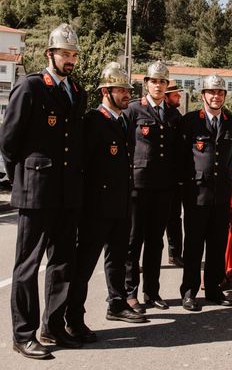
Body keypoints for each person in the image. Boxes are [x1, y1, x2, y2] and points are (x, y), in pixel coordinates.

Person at [0, 23, 87, 359]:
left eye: (74, 54)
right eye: (65, 53)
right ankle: (23, 334)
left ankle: (53, 326)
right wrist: (22, 178)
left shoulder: (76, 92)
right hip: (36, 190)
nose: (70, 59)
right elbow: (9, 141)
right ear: (50, 54)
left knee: (63, 262)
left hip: (67, 192)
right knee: (27, 265)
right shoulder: (30, 86)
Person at [65, 63, 147, 344]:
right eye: (121, 90)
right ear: (105, 91)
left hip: (121, 204)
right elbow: (82, 166)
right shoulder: (93, 121)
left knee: (117, 259)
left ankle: (117, 303)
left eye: (127, 90)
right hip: (96, 207)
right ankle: (73, 318)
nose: (127, 95)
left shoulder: (123, 120)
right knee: (84, 265)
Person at [178, 75, 232, 311]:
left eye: (220, 93)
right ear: (203, 95)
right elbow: (183, 158)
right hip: (197, 193)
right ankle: (190, 292)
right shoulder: (191, 121)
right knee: (193, 245)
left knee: (217, 244)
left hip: (222, 193)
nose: (216, 96)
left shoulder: (231, 122)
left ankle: (214, 289)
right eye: (212, 92)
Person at [124, 61, 181, 313]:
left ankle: (152, 292)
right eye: (154, 81)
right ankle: (129, 293)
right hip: (137, 186)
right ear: (146, 83)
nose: (158, 86)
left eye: (162, 82)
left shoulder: (172, 114)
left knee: (155, 241)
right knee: (133, 241)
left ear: (167, 86)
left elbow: (177, 150)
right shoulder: (133, 110)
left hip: (163, 186)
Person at [164, 80, 185, 267]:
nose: (179, 97)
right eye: (176, 95)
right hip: (156, 176)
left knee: (174, 218)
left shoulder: (176, 115)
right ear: (166, 96)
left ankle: (175, 253)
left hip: (174, 176)